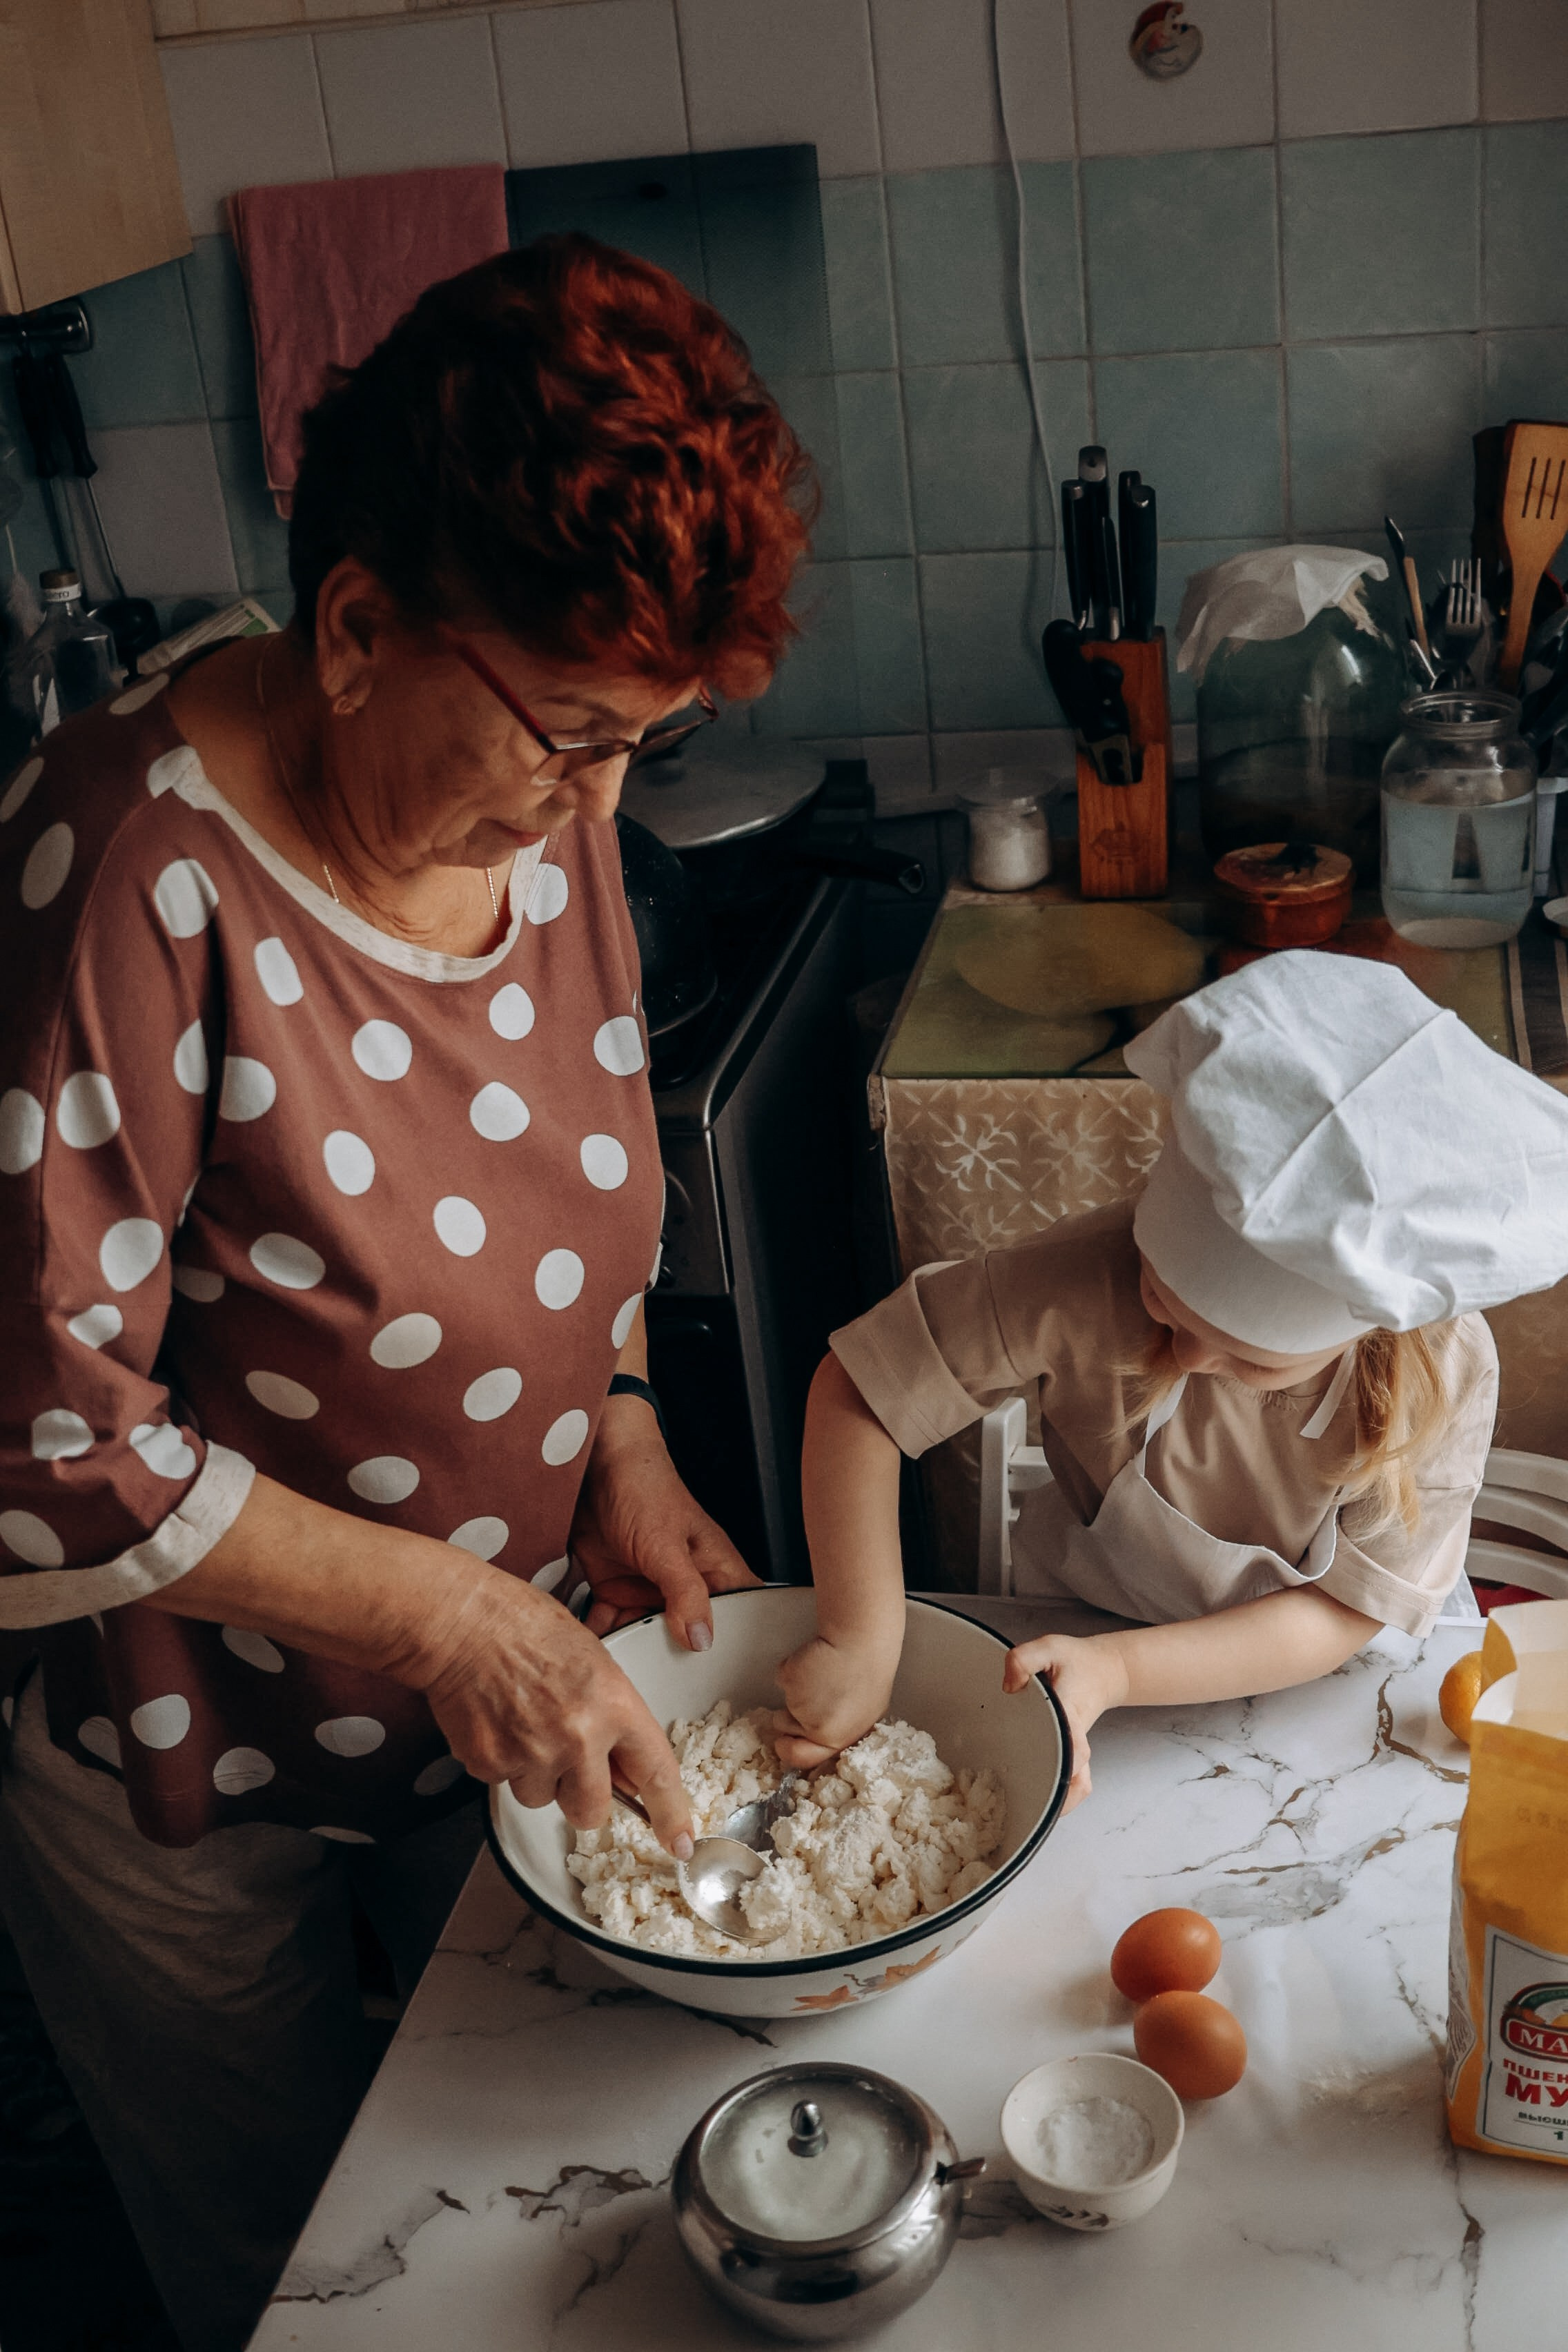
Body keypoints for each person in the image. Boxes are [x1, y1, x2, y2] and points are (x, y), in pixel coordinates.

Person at [0, 235, 811, 2351]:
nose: (601, 803)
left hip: (493, 1722)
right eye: (578, 735)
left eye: (642, 740)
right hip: (203, 1760)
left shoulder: (540, 797)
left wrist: (616, 1427)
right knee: (319, 2294)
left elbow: (564, 1185)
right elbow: (40, 1431)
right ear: (358, 628)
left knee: (544, 2245)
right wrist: (454, 1615)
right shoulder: (133, 868)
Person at [772, 952, 1568, 1805]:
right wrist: (858, 1636)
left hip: (1326, 1692)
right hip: (1087, 1629)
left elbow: (1343, 1611)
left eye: (1250, 1358)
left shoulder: (1441, 1372)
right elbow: (862, 1392)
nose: (1188, 1358)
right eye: (1160, 1301)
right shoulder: (1084, 1276)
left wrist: (1121, 1671)